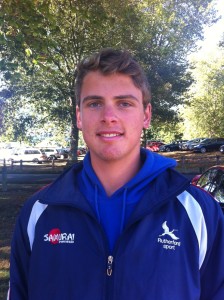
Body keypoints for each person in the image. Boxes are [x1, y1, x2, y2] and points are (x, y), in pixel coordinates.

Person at [8, 48, 224, 300]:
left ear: (146, 115)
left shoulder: (199, 212)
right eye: (95, 103)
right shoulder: (39, 211)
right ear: (79, 116)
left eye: (124, 103)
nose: (109, 117)